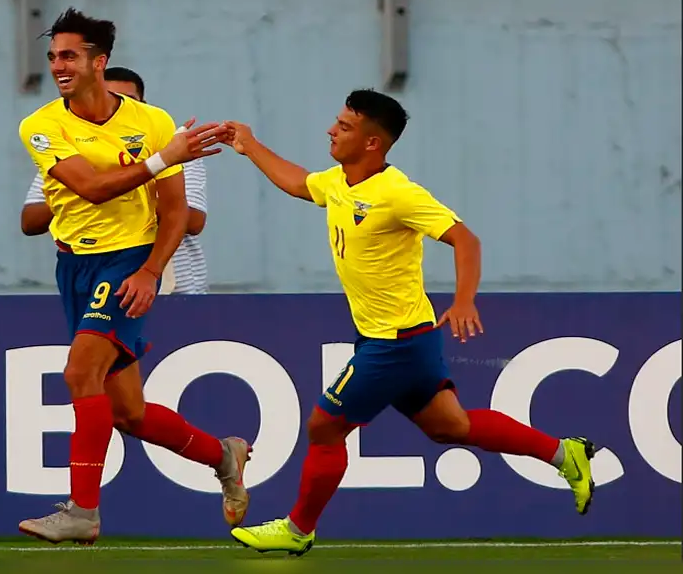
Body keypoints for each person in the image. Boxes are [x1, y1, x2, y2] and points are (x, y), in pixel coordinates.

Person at [223, 89, 595, 556]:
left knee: (324, 427)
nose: (331, 131)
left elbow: (466, 239)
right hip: (405, 338)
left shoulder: (398, 193)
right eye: (335, 122)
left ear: (373, 143)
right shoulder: (339, 181)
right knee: (450, 427)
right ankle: (566, 454)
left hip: (394, 343)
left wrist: (463, 301)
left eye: (344, 126)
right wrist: (249, 145)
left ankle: (299, 529)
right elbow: (300, 183)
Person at [15, 8, 250, 546]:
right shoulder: (43, 125)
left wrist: (150, 270)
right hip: (75, 265)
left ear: (100, 62)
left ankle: (82, 511)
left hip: (127, 260)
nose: (58, 66)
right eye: (53, 57)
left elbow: (175, 212)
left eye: (70, 56)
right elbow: (90, 189)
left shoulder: (153, 123)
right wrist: (160, 159)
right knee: (129, 412)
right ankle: (223, 454)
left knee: (80, 374)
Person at [21, 66, 210, 294]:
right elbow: (30, 222)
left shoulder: (175, 149)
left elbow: (193, 220)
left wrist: (112, 187)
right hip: (96, 281)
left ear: (143, 105)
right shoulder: (64, 155)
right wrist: (85, 189)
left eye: (128, 101)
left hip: (176, 290)